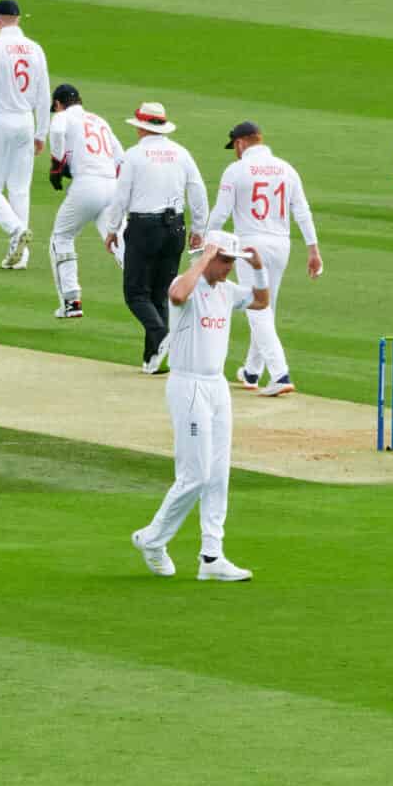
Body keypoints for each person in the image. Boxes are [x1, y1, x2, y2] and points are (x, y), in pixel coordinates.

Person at [127, 229, 267, 583]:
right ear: (209, 256)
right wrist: (205, 258)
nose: (228, 269)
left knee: (218, 474)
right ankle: (153, 539)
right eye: (224, 261)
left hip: (217, 386)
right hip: (187, 384)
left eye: (231, 262)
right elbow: (175, 294)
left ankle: (212, 555)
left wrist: (259, 267)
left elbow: (262, 301)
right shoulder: (189, 284)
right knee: (196, 475)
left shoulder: (227, 292)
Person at [208, 119, 321, 397]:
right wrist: (313, 249)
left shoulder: (236, 170)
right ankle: (252, 370)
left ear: (241, 143)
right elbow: (302, 211)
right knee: (266, 305)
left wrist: (207, 240)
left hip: (250, 244)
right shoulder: (286, 168)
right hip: (281, 245)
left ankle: (280, 373)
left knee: (257, 309)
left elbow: (221, 212)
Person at [101, 101, 208, 372]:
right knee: (160, 293)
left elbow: (121, 196)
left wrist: (112, 228)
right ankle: (153, 359)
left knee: (136, 293)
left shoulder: (134, 156)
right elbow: (198, 192)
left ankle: (161, 338)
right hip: (175, 227)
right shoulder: (181, 153)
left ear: (141, 128)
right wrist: (198, 230)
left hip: (143, 226)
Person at [0, 0, 50, 269]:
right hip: (26, 122)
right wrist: (41, 132)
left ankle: (15, 229)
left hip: (0, 121)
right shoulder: (35, 49)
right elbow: (43, 92)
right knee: (19, 188)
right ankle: (21, 257)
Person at [44, 82, 124, 320]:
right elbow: (120, 157)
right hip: (112, 184)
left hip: (87, 184)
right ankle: (145, 288)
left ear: (58, 104)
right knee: (118, 240)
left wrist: (56, 166)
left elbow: (57, 131)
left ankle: (71, 301)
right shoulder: (99, 120)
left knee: (61, 237)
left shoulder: (63, 117)